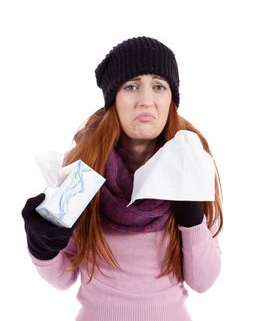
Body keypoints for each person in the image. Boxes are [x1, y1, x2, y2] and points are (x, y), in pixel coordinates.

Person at [22, 36, 223, 321]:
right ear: (113, 99)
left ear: (171, 99)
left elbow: (203, 281)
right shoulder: (82, 170)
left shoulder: (192, 163)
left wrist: (190, 211)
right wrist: (41, 244)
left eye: (158, 86)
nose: (146, 100)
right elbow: (62, 278)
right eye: (131, 86)